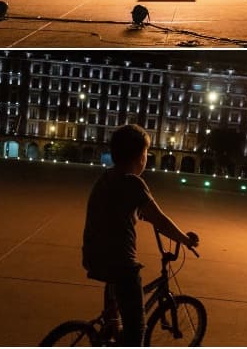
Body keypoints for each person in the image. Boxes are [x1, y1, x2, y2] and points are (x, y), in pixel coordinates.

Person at [82, 124, 199, 347]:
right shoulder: (133, 183)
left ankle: (110, 330)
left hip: (94, 257)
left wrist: (139, 216)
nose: (147, 157)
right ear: (139, 156)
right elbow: (160, 220)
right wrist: (185, 239)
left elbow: (119, 208)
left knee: (114, 311)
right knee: (137, 332)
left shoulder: (107, 177)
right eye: (146, 152)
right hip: (121, 264)